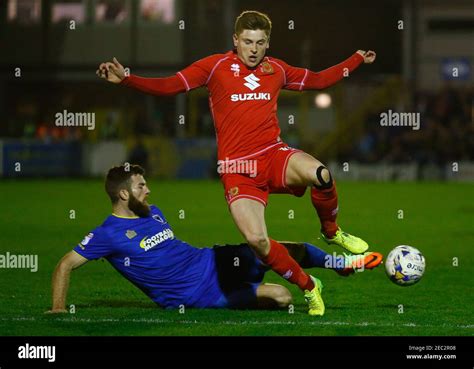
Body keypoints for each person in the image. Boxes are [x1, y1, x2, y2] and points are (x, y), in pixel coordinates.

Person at [96, 11, 377, 315]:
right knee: (257, 240)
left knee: (320, 174)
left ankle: (332, 231)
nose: (253, 49)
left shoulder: (277, 69)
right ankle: (310, 287)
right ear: (235, 40)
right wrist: (127, 79)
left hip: (273, 154)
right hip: (238, 170)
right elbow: (170, 85)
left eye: (259, 42)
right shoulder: (214, 66)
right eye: (247, 42)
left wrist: (356, 59)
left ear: (267, 43)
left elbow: (320, 80)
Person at [47, 165, 382, 315]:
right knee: (281, 298)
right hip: (201, 294)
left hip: (213, 261)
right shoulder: (107, 234)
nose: (148, 189)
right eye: (140, 186)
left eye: (146, 184)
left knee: (271, 246)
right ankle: (312, 283)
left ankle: (340, 263)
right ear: (123, 194)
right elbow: (65, 264)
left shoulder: (154, 212)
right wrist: (59, 309)